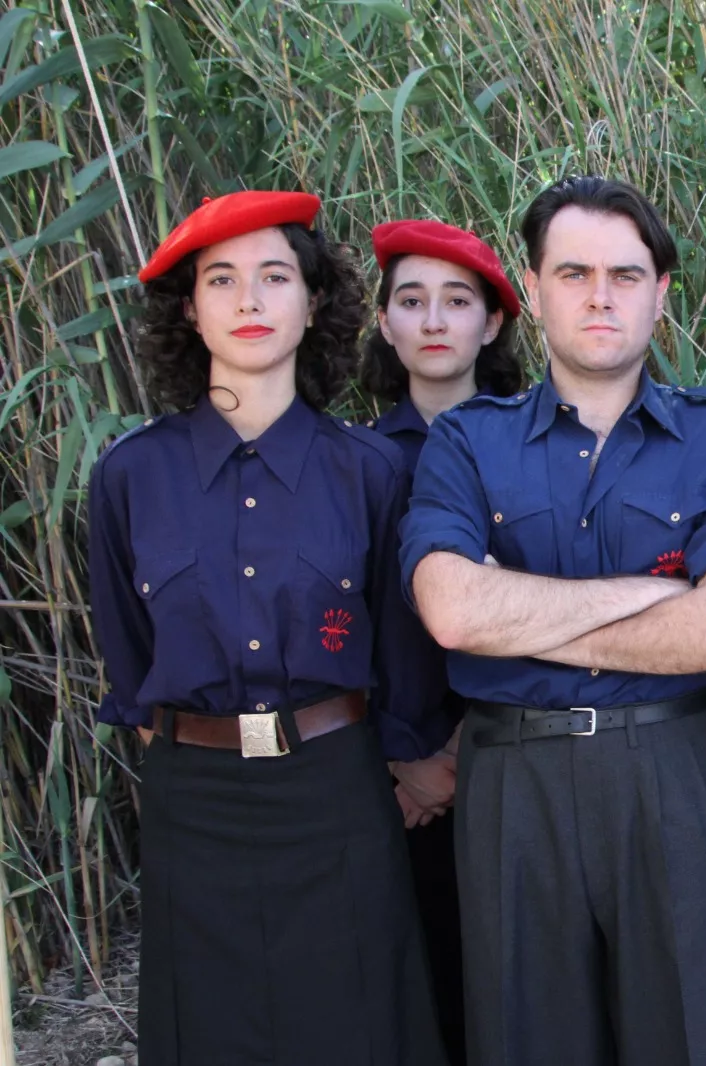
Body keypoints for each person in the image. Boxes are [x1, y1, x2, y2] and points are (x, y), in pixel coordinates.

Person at [398, 175, 706, 1066]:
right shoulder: (467, 441)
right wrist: (659, 593)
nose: (601, 294)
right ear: (532, 292)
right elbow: (452, 610)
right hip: (512, 781)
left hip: (676, 771)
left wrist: (522, 611)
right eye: (573, 273)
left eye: (626, 273)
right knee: (525, 1038)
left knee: (687, 1035)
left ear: (661, 293)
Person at [88, 190, 450, 1065]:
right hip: (194, 802)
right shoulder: (129, 478)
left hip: (338, 796)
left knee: (357, 1026)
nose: (249, 302)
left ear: (314, 302)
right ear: (190, 307)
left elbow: (403, 658)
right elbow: (131, 664)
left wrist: (406, 770)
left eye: (274, 277)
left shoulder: (370, 472)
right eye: (222, 280)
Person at [357, 217, 528, 1066]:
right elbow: (347, 625)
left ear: (491, 322)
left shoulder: (536, 447)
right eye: (411, 301)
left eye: (456, 301)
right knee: (425, 987)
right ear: (384, 323)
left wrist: (471, 746)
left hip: (522, 755)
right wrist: (409, 760)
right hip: (399, 778)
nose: (433, 320)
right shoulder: (355, 461)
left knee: (524, 988)